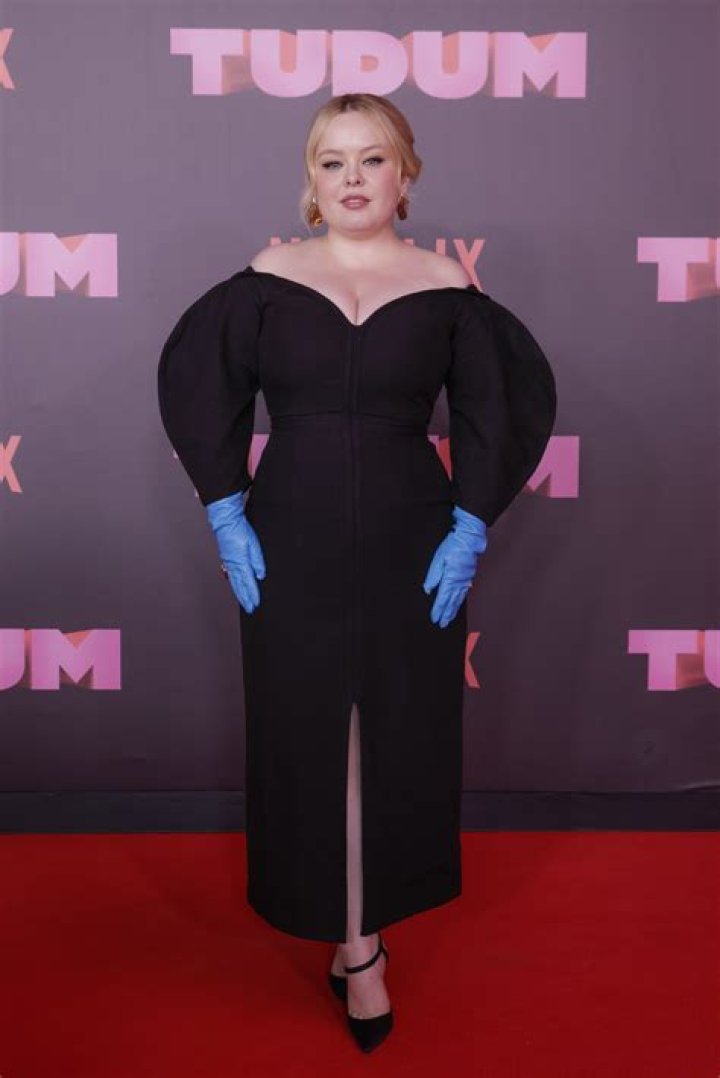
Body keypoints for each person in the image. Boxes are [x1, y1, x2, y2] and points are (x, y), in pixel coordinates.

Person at [157, 92, 557, 1053]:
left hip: (410, 540)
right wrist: (223, 507)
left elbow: (502, 408)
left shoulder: (447, 289)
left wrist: (471, 521)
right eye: (332, 161)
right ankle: (351, 937)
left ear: (404, 174)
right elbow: (197, 386)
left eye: (371, 160)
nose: (351, 179)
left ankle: (363, 935)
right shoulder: (264, 281)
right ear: (311, 177)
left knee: (396, 731)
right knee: (305, 729)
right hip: (286, 537)